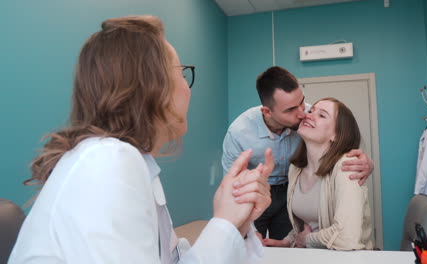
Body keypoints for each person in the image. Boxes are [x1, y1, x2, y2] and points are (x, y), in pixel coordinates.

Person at [8, 15, 274, 264]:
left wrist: (234, 221)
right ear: (153, 87)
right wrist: (225, 222)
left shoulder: (124, 163)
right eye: (181, 73)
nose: (187, 89)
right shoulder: (107, 160)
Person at [222, 66, 374, 241]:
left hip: (289, 189)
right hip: (256, 191)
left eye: (302, 102)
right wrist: (250, 229)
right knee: (249, 243)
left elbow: (341, 137)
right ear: (267, 112)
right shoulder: (239, 133)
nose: (303, 114)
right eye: (291, 110)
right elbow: (233, 185)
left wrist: (368, 163)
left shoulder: (309, 117)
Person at [263, 97, 373, 250]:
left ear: (336, 134)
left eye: (322, 115)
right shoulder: (295, 169)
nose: (308, 115)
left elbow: (347, 238)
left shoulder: (347, 166)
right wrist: (288, 241)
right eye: (311, 111)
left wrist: (307, 240)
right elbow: (307, 225)